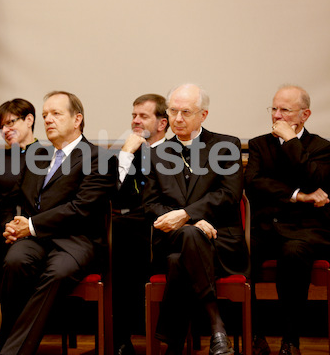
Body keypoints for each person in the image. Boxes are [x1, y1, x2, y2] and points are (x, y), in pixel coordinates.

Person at [0, 91, 117, 355]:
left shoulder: (100, 158)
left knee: (57, 272)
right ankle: (9, 344)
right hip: (34, 239)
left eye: (56, 114)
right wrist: (10, 224)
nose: (48, 120)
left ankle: (11, 352)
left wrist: (30, 225)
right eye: (45, 115)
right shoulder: (36, 156)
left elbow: (81, 208)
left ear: (77, 119)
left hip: (77, 240)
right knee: (14, 262)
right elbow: (12, 198)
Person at [142, 84, 249, 355]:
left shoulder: (226, 146)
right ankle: (217, 326)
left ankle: (174, 344)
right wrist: (189, 223)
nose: (177, 119)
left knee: (180, 260)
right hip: (174, 238)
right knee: (190, 235)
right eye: (173, 111)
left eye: (186, 112)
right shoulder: (156, 153)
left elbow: (229, 194)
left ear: (203, 115)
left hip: (220, 242)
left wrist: (189, 214)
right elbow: (150, 204)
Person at [245, 85, 330, 355]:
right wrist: (297, 195)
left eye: (285, 110)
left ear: (304, 115)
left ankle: (290, 339)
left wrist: (291, 142)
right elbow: (254, 183)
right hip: (266, 225)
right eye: (274, 109)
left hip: (304, 230)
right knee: (241, 248)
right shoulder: (259, 144)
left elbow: (314, 180)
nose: (277, 116)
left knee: (293, 253)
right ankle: (255, 334)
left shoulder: (322, 147)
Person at [0, 98, 40, 340]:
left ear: (30, 120)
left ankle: (2, 313)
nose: (5, 130)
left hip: (33, 226)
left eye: (10, 123)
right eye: (1, 126)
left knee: (16, 253)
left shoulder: (48, 155)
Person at [112, 93, 168, 355]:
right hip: (131, 230)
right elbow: (112, 196)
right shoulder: (127, 154)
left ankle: (167, 334)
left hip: (166, 227)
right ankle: (121, 339)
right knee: (120, 233)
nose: (135, 121)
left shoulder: (177, 152)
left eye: (143, 116)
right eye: (133, 115)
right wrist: (124, 155)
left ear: (162, 123)